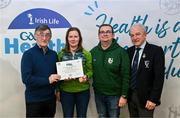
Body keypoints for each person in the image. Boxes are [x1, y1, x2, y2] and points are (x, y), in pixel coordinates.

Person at [90, 24, 130, 118]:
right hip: (99, 94)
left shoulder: (121, 52)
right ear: (99, 35)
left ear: (113, 35)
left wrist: (124, 96)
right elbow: (88, 70)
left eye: (108, 32)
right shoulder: (93, 52)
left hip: (115, 96)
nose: (105, 34)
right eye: (102, 32)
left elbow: (126, 75)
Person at [21, 24, 60, 117]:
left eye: (47, 35)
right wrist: (48, 80)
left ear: (50, 37)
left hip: (50, 100)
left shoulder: (54, 55)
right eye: (41, 34)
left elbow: (57, 75)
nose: (44, 38)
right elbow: (26, 79)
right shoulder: (28, 55)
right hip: (34, 101)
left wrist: (58, 89)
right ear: (35, 36)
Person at [127, 23, 165, 118]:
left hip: (147, 99)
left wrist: (153, 99)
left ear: (145, 35)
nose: (135, 37)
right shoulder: (129, 51)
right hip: (131, 96)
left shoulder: (156, 51)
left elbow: (159, 78)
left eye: (138, 34)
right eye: (132, 35)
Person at [56, 27, 93, 118]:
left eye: (76, 36)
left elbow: (90, 71)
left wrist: (86, 76)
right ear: (67, 39)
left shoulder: (86, 54)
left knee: (82, 116)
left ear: (79, 38)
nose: (73, 39)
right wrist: (57, 90)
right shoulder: (61, 53)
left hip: (82, 91)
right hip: (66, 92)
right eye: (70, 36)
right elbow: (57, 72)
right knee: (67, 116)